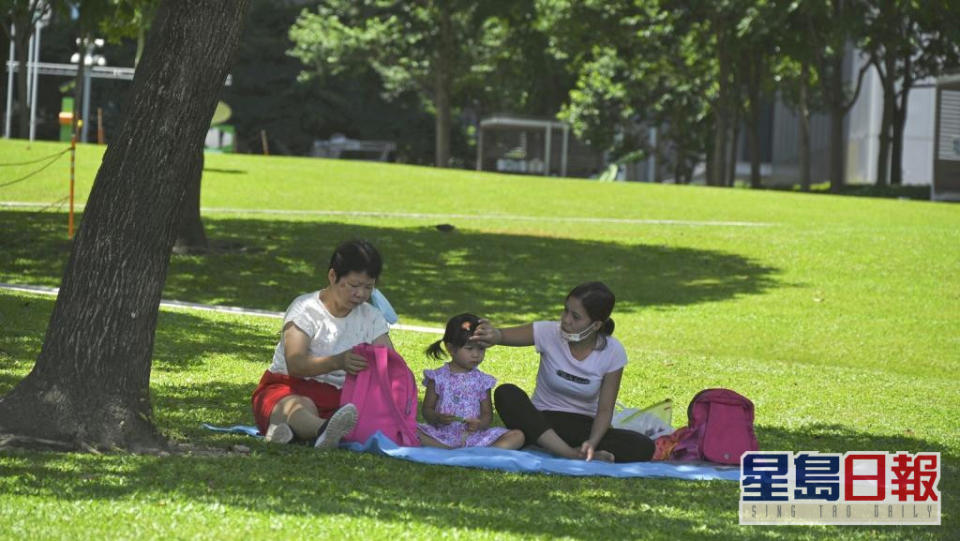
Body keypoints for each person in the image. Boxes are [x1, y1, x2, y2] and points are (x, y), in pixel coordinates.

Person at [471, 282, 655, 463]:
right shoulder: (548, 331)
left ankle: (575, 451)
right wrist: (492, 334)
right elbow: (501, 335)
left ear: (596, 325)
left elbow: (605, 409)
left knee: (643, 446)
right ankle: (570, 454)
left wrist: (591, 443)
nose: (566, 320)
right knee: (506, 393)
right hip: (541, 420)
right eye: (565, 311)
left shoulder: (613, 351)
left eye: (576, 317)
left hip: (582, 427)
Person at [250, 239, 393, 448]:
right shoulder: (305, 308)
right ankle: (323, 430)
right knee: (298, 405)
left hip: (342, 400)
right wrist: (338, 362)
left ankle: (291, 433)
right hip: (287, 387)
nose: (361, 294)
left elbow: (388, 361)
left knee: (351, 414)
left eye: (368, 287)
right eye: (354, 285)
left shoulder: (371, 317)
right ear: (333, 276)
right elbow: (296, 364)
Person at [417, 313, 525, 450]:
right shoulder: (437, 377)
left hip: (474, 437)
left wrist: (479, 424)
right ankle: (452, 450)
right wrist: (438, 418)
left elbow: (487, 414)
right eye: (469, 348)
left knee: (517, 436)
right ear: (450, 349)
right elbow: (427, 409)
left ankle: (478, 452)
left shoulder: (483, 381)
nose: (476, 354)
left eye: (481, 349)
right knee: (410, 430)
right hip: (441, 435)